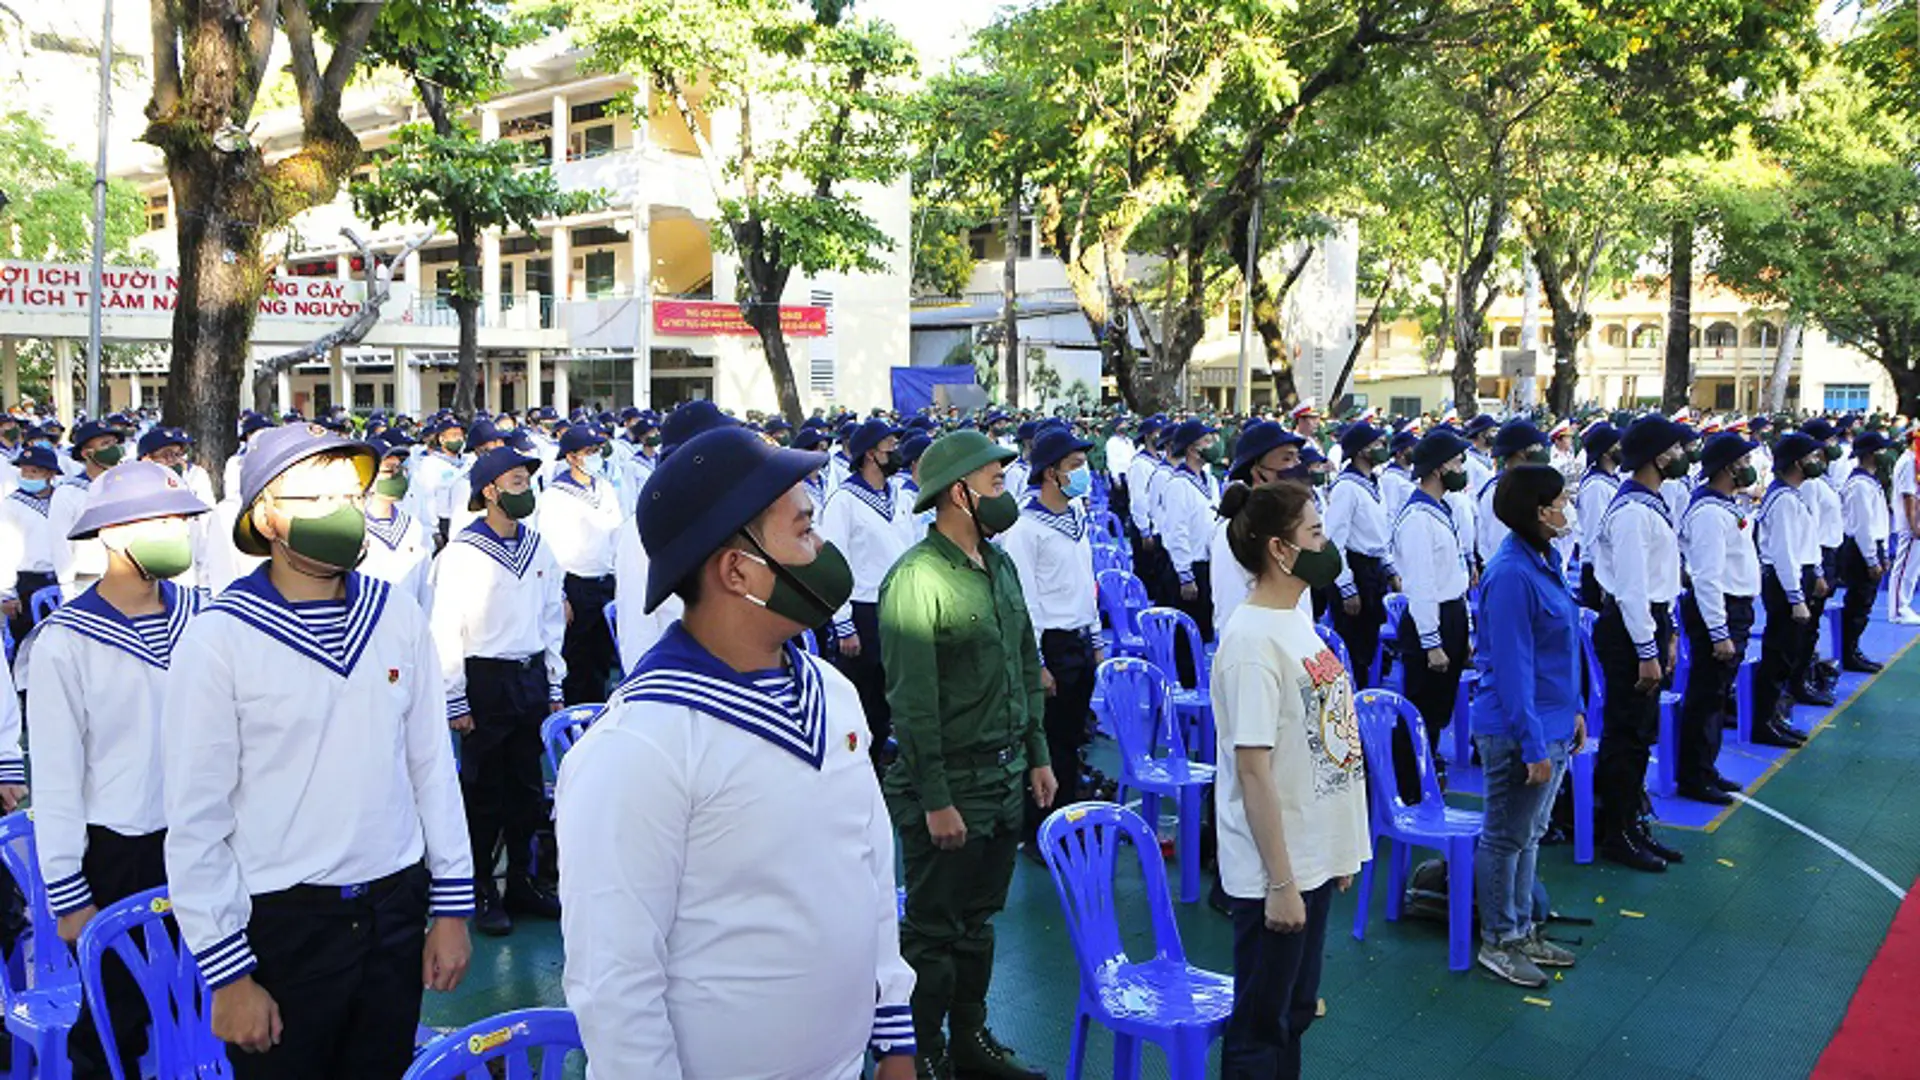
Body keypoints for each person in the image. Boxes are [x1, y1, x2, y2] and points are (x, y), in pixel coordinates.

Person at [558, 424, 916, 1078]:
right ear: (737, 570)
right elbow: (616, 985)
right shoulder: (640, 745)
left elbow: (868, 873)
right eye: (804, 530)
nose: (823, 548)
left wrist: (894, 1034)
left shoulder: (830, 691)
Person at [162, 424, 472, 1078]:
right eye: (316, 498)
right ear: (267, 517)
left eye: (351, 496)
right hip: (283, 928)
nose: (343, 513)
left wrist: (449, 906)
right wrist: (228, 974)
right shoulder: (219, 639)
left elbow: (431, 770)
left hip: (393, 910)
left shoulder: (394, 616)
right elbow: (196, 820)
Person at [879, 430, 1054, 1080]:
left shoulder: (999, 564)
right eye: (996, 482)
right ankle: (920, 1052)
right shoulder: (916, 580)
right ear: (959, 491)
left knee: (978, 925)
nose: (1006, 493)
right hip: (951, 784)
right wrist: (937, 800)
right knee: (931, 933)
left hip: (1005, 775)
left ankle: (970, 1040)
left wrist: (1037, 752)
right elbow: (913, 705)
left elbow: (1024, 660)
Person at [32, 463, 208, 1078]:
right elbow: (55, 780)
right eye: (159, 521)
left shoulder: (206, 615)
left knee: (211, 997)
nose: (177, 532)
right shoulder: (65, 641)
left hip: (209, 840)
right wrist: (68, 893)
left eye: (180, 520)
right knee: (115, 1017)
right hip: (120, 853)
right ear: (110, 536)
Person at [1209, 479, 1366, 1080]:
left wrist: (1338, 852)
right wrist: (1280, 881)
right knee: (1260, 1027)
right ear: (1281, 549)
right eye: (1316, 533)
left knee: (1293, 1013)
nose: (1327, 545)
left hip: (1310, 860)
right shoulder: (1251, 641)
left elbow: (1323, 748)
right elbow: (1253, 771)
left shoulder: (1296, 620)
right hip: (1276, 870)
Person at [430, 446, 567, 936]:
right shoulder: (462, 553)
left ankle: (523, 883)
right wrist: (455, 696)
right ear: (489, 491)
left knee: (527, 789)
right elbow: (446, 626)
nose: (525, 489)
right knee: (483, 791)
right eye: (514, 481)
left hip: (528, 676)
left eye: (526, 480)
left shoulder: (539, 546)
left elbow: (552, 618)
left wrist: (553, 681)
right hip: (485, 678)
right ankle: (481, 885)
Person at [1470, 465, 1583, 988]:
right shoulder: (1512, 575)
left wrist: (1576, 711)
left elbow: (1560, 651)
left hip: (1554, 722)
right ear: (1540, 512)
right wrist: (1533, 744)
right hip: (1519, 728)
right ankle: (1500, 939)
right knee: (1504, 836)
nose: (1567, 509)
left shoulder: (1545, 559)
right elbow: (1514, 670)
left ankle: (1521, 928)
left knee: (1529, 834)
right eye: (1561, 501)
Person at [1590, 416, 1690, 873]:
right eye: (1675, 449)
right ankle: (1616, 832)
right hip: (1631, 627)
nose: (1683, 456)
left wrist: (1664, 636)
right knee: (1626, 733)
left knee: (1642, 733)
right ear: (1656, 455)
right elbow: (1631, 589)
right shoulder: (1631, 511)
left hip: (1650, 622)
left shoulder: (1652, 502)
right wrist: (1647, 651)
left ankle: (1632, 823)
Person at [999, 427, 1101, 853]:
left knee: (1072, 738)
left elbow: (1084, 581)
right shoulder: (1025, 527)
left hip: (1078, 640)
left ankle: (1066, 816)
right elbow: (1025, 601)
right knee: (1049, 743)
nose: (1084, 474)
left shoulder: (1075, 517)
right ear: (1051, 473)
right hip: (1052, 647)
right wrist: (1036, 660)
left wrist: (1095, 637)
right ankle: (1043, 832)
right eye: (1075, 466)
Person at [818, 417, 916, 768]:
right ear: (872, 454)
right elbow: (834, 564)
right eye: (890, 445)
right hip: (864, 611)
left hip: (901, 608)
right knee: (864, 705)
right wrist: (844, 624)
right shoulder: (844, 500)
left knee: (896, 699)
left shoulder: (899, 495)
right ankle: (858, 773)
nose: (897, 451)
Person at [1390, 429, 1473, 801]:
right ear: (1439, 469)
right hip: (1430, 619)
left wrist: (1464, 631)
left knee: (1437, 713)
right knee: (1421, 709)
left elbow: (1452, 575)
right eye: (1456, 462)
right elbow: (1421, 584)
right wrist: (1432, 642)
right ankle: (1404, 786)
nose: (1462, 468)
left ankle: (1421, 778)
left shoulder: (1442, 509)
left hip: (1450, 613)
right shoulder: (1417, 518)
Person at [536, 425, 624, 704]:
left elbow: (616, 534)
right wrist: (560, 595)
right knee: (576, 660)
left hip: (605, 581)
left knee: (601, 658)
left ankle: (596, 713)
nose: (595, 457)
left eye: (597, 451)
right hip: (576, 584)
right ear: (572, 457)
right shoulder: (556, 495)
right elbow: (549, 548)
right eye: (589, 452)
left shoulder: (605, 487)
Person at [1755, 432, 1825, 740]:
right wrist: (1796, 598)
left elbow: (1803, 542)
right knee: (1779, 654)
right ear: (1796, 462)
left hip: (1796, 577)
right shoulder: (1783, 499)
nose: (1817, 462)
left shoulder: (1792, 494)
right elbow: (1784, 552)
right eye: (1810, 457)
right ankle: (1764, 722)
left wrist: (1817, 571)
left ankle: (1775, 716)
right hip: (1785, 581)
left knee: (1788, 653)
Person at [1324, 422, 1396, 691]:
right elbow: (1334, 541)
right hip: (1354, 568)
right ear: (1361, 451)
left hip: (1373, 567)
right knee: (1352, 647)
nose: (1381, 448)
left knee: (1368, 643)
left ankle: (1363, 697)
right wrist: (1346, 586)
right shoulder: (1347, 487)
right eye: (1376, 444)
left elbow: (1380, 532)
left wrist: (1389, 569)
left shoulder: (1373, 483)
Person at [358, 436, 433, 610]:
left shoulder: (412, 526)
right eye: (388, 470)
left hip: (409, 625)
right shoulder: (354, 526)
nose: (397, 476)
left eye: (399, 468)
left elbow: (426, 588)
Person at [1838, 430, 1892, 672]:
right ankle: (1849, 651)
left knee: (1865, 603)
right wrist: (1872, 559)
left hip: (1872, 546)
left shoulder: (1870, 481)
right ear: (1870, 455)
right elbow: (1862, 526)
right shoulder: (1859, 485)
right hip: (1861, 549)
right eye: (1880, 451)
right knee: (1858, 603)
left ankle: (1853, 648)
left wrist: (1882, 554)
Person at [1574, 423, 1622, 609]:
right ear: (1606, 453)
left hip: (1610, 567)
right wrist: (1603, 580)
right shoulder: (1596, 486)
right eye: (1617, 444)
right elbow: (1596, 533)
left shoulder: (1611, 480)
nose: (1622, 447)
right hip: (1598, 570)